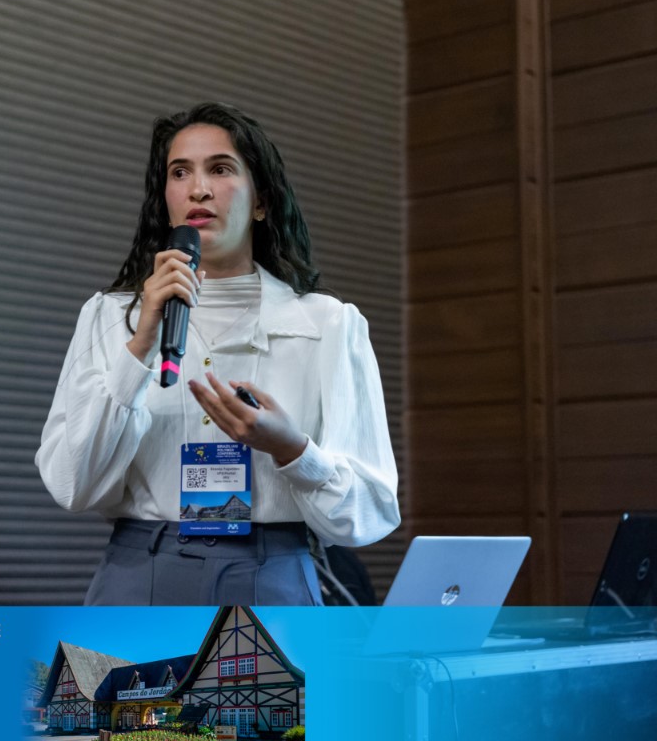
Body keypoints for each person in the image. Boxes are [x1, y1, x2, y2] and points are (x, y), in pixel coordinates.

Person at [36, 102, 399, 605]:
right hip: (139, 574)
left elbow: (370, 513)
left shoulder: (330, 325)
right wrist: (140, 345)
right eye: (179, 172)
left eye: (221, 169)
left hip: (272, 576)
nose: (198, 189)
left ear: (261, 202)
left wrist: (293, 450)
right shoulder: (109, 317)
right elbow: (72, 486)